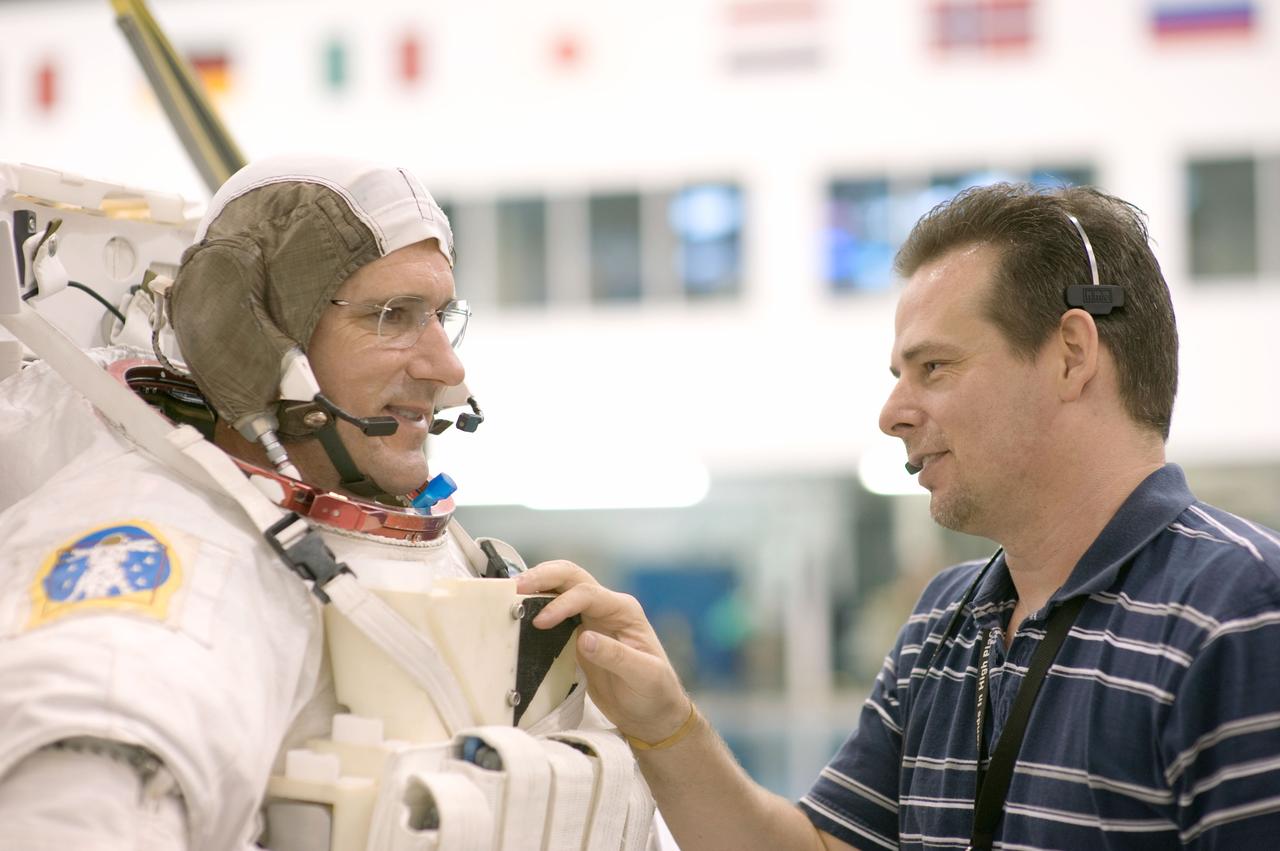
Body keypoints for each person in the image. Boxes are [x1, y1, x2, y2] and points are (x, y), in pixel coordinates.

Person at [517, 183, 1280, 848]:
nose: (892, 414)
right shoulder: (947, 623)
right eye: (899, 374)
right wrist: (662, 719)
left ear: (1072, 354)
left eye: (934, 367)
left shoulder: (1237, 612)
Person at [0, 156, 652, 850]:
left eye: (440, 316)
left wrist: (671, 731)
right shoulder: (161, 584)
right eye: (393, 317)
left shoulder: (450, 560)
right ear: (249, 344)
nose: (448, 367)